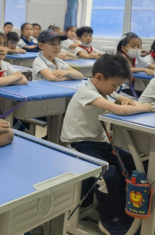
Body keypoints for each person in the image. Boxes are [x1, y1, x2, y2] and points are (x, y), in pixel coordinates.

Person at [61, 54, 154, 234]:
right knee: (109, 175)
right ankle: (109, 218)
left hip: (99, 143)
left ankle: (127, 209)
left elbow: (120, 101)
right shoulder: (86, 92)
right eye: (115, 85)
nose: (116, 89)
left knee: (138, 164)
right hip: (77, 145)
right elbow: (119, 109)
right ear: (98, 78)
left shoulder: (105, 90)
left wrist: (126, 100)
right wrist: (143, 106)